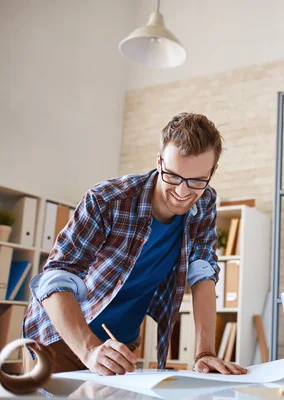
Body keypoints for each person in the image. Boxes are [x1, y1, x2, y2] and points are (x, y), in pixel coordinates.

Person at [23, 113, 247, 376]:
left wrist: (205, 353)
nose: (184, 192)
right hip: (62, 339)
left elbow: (203, 275)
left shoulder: (205, 202)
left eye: (197, 180)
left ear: (213, 171)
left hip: (121, 344)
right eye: (173, 176)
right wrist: (90, 350)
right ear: (159, 161)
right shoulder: (108, 199)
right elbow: (55, 278)